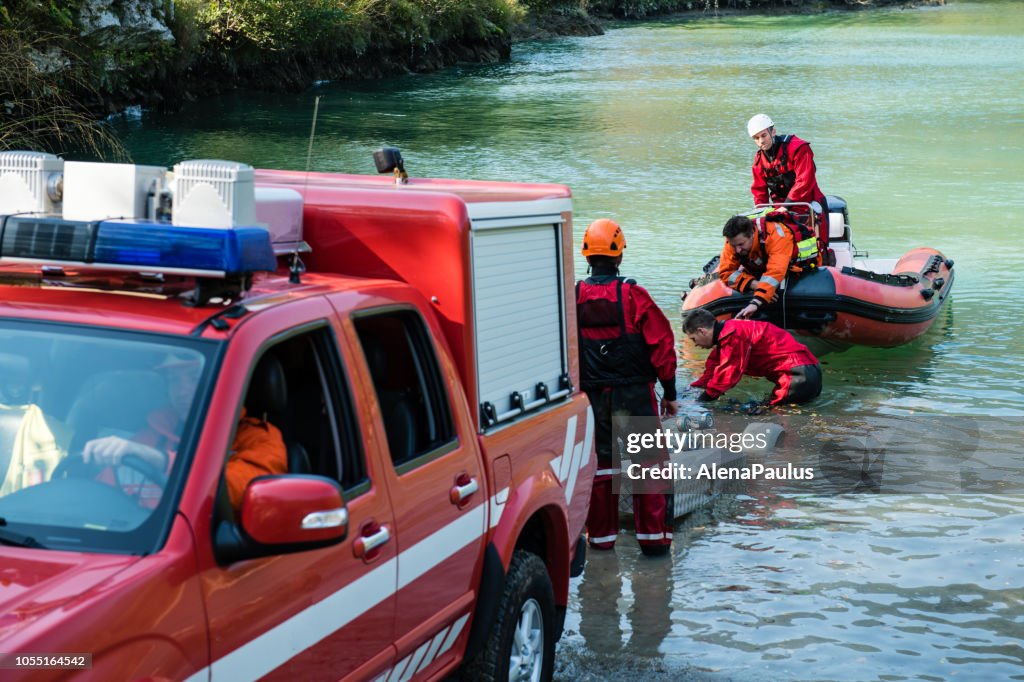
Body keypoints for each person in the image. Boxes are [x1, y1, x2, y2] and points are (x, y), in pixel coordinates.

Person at [576, 218, 679, 557]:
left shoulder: (573, 297)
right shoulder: (634, 295)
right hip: (635, 395)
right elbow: (662, 346)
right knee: (649, 465)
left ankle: (601, 540)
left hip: (591, 397)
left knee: (600, 467)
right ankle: (654, 542)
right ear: (619, 256)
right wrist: (671, 394)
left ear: (586, 256)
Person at [83, 354, 287, 511]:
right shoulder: (152, 434)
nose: (182, 391)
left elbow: (237, 491)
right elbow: (99, 496)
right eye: (174, 380)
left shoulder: (257, 438)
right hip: (138, 543)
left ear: (226, 384)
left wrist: (162, 461)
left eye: (194, 378)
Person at [683, 308, 822, 406]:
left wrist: (700, 402)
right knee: (771, 411)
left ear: (701, 331)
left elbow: (727, 376)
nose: (696, 345)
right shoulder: (729, 332)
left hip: (798, 377)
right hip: (809, 371)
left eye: (694, 339)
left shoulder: (732, 336)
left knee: (774, 418)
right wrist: (692, 389)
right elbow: (712, 368)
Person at [718, 211, 821, 320]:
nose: (737, 250)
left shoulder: (777, 235)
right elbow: (726, 272)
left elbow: (776, 271)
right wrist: (754, 284)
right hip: (762, 268)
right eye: (734, 246)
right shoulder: (733, 242)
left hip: (798, 268)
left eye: (741, 244)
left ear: (752, 234)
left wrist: (756, 302)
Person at [747, 114, 829, 247]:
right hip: (780, 209)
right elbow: (759, 192)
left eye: (763, 135)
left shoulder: (798, 148)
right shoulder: (758, 162)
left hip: (808, 205)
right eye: (756, 138)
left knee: (818, 245)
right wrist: (761, 215)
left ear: (773, 132)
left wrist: (786, 206)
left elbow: (805, 180)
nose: (761, 141)